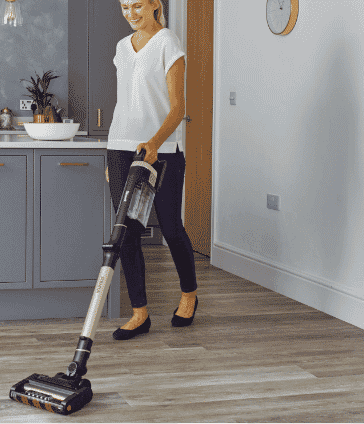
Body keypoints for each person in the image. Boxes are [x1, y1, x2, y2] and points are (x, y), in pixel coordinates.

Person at [106, 0, 198, 340]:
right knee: (126, 231)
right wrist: (113, 155)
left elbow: (177, 108)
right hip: (120, 147)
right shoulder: (121, 47)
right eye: (125, 6)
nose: (131, 13)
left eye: (138, 5)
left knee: (171, 227)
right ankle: (139, 313)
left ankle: (189, 294)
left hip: (162, 151)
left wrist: (155, 142)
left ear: (155, 4)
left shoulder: (167, 42)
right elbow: (126, 102)